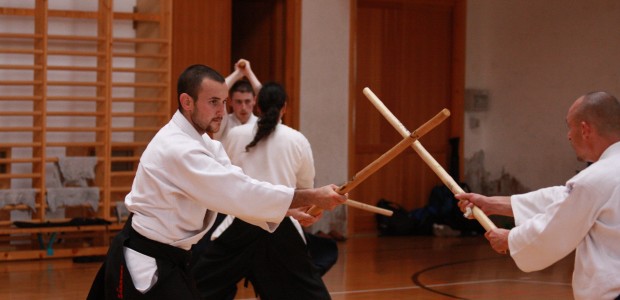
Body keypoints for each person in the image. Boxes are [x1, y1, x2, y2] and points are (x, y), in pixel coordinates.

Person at [87, 64, 347, 300]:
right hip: (146, 259)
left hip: (173, 257)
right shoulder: (178, 148)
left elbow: (236, 184)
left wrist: (287, 210)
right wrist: (312, 196)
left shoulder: (205, 144)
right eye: (213, 102)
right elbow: (237, 191)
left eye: (224, 102)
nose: (222, 112)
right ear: (186, 102)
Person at [456, 91, 620, 300]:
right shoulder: (602, 178)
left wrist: (510, 239)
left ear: (585, 129)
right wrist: (491, 204)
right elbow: (564, 199)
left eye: (570, 127)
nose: (569, 135)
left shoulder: (594, 179)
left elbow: (557, 228)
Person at [192, 82, 333, 300]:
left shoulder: (235, 135)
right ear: (284, 107)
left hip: (244, 222)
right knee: (308, 290)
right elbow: (306, 190)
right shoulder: (297, 139)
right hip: (278, 222)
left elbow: (223, 179)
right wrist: (312, 209)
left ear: (256, 106)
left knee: (202, 284)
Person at [213, 59, 261, 142]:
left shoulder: (261, 124)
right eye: (239, 102)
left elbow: (267, 97)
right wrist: (237, 74)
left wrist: (249, 73)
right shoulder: (224, 122)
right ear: (231, 101)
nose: (243, 107)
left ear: (254, 100)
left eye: (247, 101)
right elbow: (218, 91)